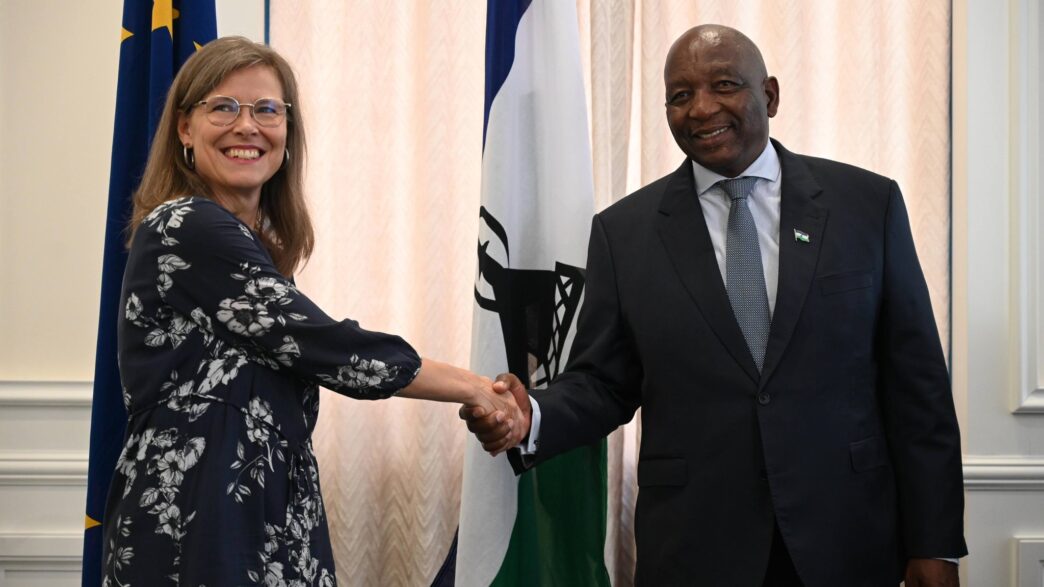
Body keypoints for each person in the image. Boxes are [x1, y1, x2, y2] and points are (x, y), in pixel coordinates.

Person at [466, 25, 966, 586]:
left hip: (847, 536)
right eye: (680, 96)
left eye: (724, 85)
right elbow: (603, 383)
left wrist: (935, 543)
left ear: (769, 95)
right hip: (697, 545)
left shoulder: (867, 206)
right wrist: (535, 413)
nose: (701, 109)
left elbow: (917, 389)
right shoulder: (623, 233)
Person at [102, 37, 522, 585]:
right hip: (198, 521)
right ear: (185, 128)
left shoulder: (260, 245)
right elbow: (332, 348)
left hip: (264, 511)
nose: (247, 126)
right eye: (223, 106)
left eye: (267, 110)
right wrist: (472, 387)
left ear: (287, 132)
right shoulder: (187, 226)